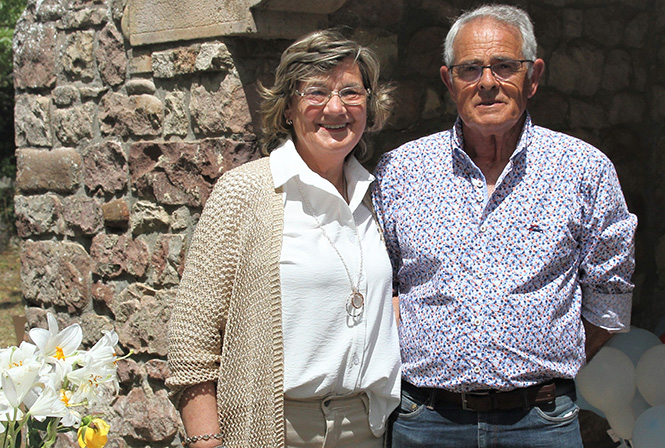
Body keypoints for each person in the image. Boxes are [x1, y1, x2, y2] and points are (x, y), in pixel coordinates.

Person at [372, 5, 637, 447]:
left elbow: (608, 301)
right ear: (448, 81)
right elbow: (383, 284)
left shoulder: (583, 169)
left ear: (533, 77)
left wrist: (536, 376)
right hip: (426, 421)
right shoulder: (401, 170)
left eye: (504, 67)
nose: (488, 82)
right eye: (470, 68)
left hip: (541, 423)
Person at [166, 30, 400, 448]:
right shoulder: (246, 192)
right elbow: (193, 340)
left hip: (371, 429)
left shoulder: (377, 196)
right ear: (288, 107)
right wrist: (205, 440)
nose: (335, 108)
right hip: (277, 431)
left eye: (351, 92)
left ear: (369, 104)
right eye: (316, 92)